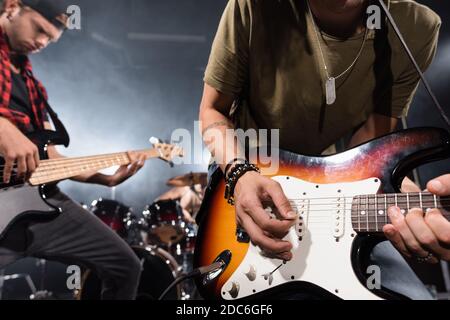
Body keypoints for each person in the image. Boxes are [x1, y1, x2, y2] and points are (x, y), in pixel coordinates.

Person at [199, 0, 448, 299]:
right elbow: (213, 111)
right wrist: (240, 175)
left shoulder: (415, 25)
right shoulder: (253, 6)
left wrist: (391, 192)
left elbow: (370, 147)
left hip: (334, 184)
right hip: (241, 172)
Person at [0, 0, 146, 299]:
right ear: (13, 6)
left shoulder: (33, 86)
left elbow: (50, 158)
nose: (42, 42)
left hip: (37, 200)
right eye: (39, 29)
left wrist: (103, 179)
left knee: (125, 265)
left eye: (50, 39)